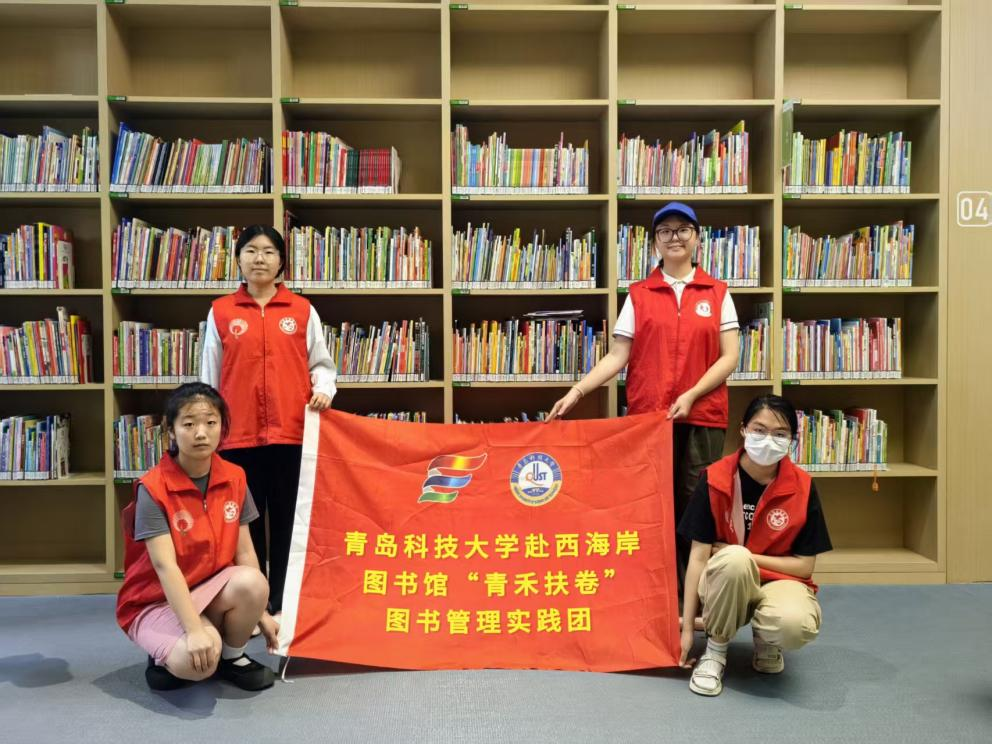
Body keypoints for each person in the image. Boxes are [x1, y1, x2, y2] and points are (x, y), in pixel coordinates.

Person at [547, 202, 740, 591]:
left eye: (683, 229)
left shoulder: (717, 292)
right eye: (665, 231)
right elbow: (618, 355)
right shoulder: (639, 294)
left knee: (696, 504)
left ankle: (692, 595)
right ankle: (654, 592)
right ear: (654, 243)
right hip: (651, 419)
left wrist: (691, 394)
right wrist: (577, 391)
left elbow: (729, 356)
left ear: (697, 238)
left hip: (702, 417)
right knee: (651, 502)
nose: (674, 237)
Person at [200, 225, 336, 617]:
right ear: (238, 259)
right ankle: (254, 602)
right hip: (237, 437)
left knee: (289, 521)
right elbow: (210, 374)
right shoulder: (221, 311)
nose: (259, 258)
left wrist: (324, 388)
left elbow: (321, 363)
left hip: (291, 434)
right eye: (250, 250)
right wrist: (207, 424)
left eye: (269, 251)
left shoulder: (302, 310)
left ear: (281, 262)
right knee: (247, 524)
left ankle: (285, 602)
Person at [116, 383, 278, 691]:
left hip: (208, 588)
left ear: (222, 427)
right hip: (155, 600)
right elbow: (165, 567)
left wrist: (262, 613)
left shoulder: (235, 477)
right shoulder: (153, 488)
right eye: (189, 424)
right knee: (197, 664)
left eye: (210, 422)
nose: (201, 433)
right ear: (171, 430)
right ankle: (171, 647)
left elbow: (245, 552)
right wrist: (193, 631)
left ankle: (233, 657)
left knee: (253, 582)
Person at [678, 394, 832, 697]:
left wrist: (749, 557)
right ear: (743, 429)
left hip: (779, 582)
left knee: (795, 624)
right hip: (725, 581)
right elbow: (697, 557)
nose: (768, 440)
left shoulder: (802, 486)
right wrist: (686, 632)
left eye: (780, 434)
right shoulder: (714, 479)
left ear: (792, 440)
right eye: (759, 430)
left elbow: (804, 566)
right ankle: (715, 649)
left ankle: (767, 640)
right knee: (734, 561)